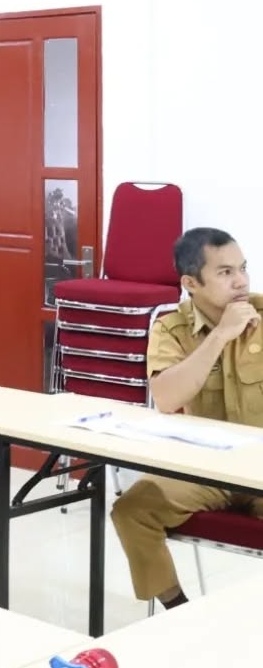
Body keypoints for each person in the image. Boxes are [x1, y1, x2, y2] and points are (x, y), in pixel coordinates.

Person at [111, 227, 263, 610]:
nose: (241, 281)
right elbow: (166, 398)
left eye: (243, 268)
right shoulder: (170, 328)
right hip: (207, 469)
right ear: (191, 283)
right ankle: (179, 611)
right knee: (132, 510)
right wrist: (220, 336)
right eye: (225, 272)